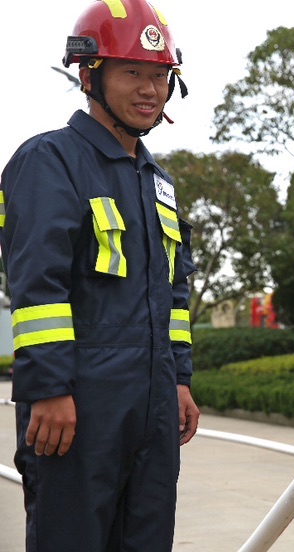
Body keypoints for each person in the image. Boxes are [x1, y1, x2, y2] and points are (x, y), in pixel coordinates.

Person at [0, 0, 199, 549]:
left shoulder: (158, 180)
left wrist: (179, 379)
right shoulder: (49, 160)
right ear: (90, 74)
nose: (150, 90)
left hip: (154, 408)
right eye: (132, 72)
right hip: (79, 406)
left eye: (160, 76)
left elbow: (172, 291)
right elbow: (38, 288)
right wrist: (48, 390)